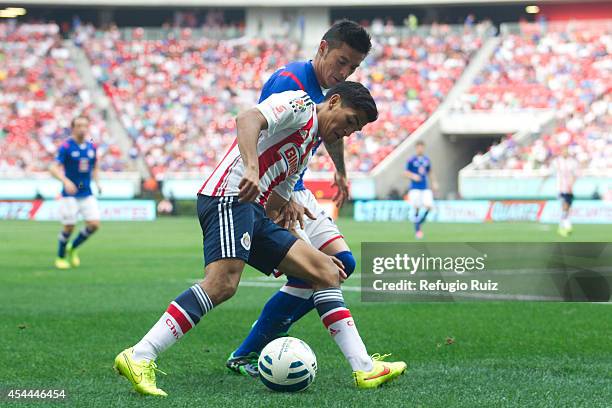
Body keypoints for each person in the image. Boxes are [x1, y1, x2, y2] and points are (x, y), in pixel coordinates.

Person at [113, 82, 406, 396]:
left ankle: (364, 368)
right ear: (333, 101)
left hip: (255, 212)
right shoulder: (300, 105)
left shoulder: (307, 147)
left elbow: (277, 205)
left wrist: (303, 247)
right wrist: (252, 168)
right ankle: (140, 355)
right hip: (230, 195)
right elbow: (247, 119)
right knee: (222, 283)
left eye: (356, 130)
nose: (349, 132)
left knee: (326, 271)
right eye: (350, 121)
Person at [226, 19, 373, 377]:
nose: (344, 72)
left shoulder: (330, 92)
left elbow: (331, 130)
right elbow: (263, 137)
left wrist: (339, 170)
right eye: (341, 62)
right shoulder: (290, 82)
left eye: (353, 67)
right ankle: (250, 352)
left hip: (295, 188)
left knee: (343, 263)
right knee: (318, 272)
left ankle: (263, 343)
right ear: (322, 47)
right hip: (272, 189)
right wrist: (279, 194)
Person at [49, 115, 101, 269]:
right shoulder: (66, 146)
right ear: (73, 128)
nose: (82, 128)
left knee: (94, 224)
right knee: (69, 226)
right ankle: (60, 256)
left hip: (86, 191)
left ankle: (73, 247)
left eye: (85, 125)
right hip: (70, 193)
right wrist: (65, 181)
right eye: (79, 125)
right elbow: (52, 168)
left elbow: (96, 164)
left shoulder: (92, 145)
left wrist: (98, 182)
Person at [405, 141, 437, 239]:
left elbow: (430, 172)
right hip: (415, 188)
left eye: (422, 147)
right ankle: (418, 231)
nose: (420, 149)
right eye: (418, 147)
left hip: (425, 187)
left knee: (429, 206)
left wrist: (434, 182)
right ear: (416, 148)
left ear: (424, 148)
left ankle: (419, 223)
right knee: (417, 208)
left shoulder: (426, 160)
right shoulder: (411, 160)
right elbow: (405, 173)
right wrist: (413, 176)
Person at [554, 146, 578, 237]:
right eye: (563, 151)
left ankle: (563, 226)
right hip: (560, 189)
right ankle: (565, 227)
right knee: (565, 207)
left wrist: (572, 183)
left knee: (567, 209)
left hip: (569, 189)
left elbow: (576, 174)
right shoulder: (557, 161)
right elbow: (552, 171)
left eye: (566, 151)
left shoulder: (572, 162)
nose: (565, 152)